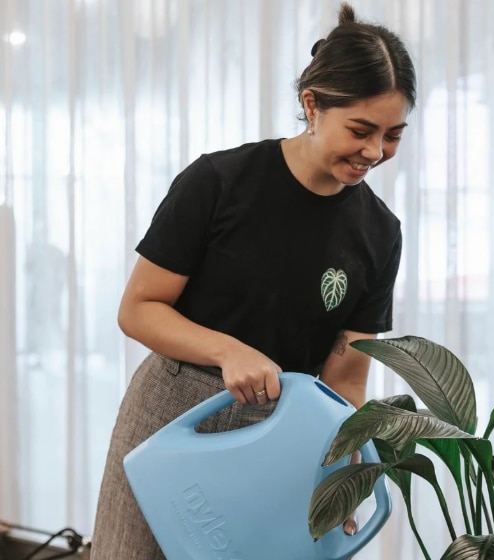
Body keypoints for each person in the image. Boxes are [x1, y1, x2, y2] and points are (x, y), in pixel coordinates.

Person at [90, 3, 416, 558]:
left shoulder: (380, 231)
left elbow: (347, 379)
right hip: (173, 411)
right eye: (361, 130)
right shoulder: (218, 182)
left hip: (284, 434)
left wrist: (342, 477)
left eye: (392, 136)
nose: (374, 152)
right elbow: (139, 308)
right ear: (312, 105)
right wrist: (227, 351)